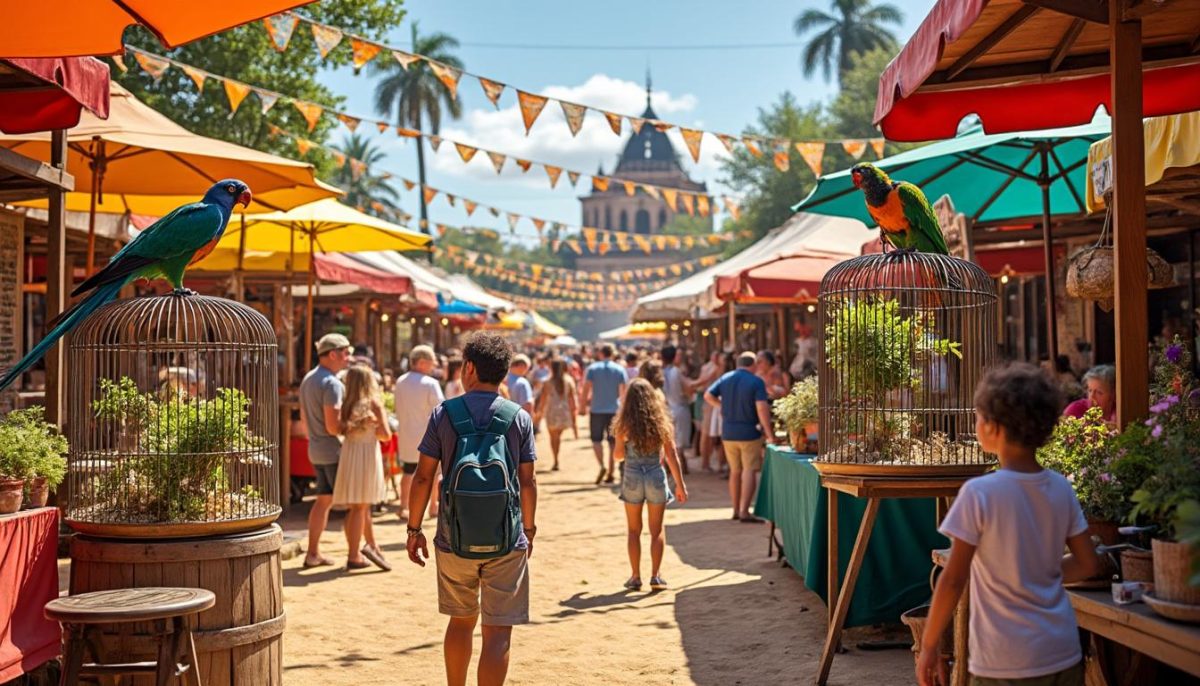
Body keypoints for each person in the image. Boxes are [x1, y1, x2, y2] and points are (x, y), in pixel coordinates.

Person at [917, 364, 1102, 686]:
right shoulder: (1060, 488)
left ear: (994, 427)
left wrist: (929, 646)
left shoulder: (979, 492)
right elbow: (1088, 563)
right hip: (1062, 651)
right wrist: (1039, 577)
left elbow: (952, 580)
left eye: (978, 416)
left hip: (1003, 661)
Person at [406, 332, 537, 686]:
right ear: (504, 374)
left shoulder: (444, 414)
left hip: (453, 535)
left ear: (468, 368)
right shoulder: (518, 417)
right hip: (507, 536)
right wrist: (529, 527)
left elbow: (422, 478)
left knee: (461, 622)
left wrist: (413, 529)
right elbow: (528, 481)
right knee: (498, 632)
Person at [613, 378, 688, 592]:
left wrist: (625, 449)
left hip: (632, 476)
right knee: (657, 530)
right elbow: (672, 454)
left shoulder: (623, 424)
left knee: (634, 530)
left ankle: (635, 576)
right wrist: (680, 485)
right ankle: (656, 576)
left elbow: (618, 455)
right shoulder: (661, 422)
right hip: (655, 475)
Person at [300, 333, 352, 568]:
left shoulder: (309, 379)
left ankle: (313, 553)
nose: (348, 358)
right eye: (345, 353)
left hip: (315, 448)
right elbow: (333, 426)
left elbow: (303, 421)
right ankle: (357, 555)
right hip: (332, 451)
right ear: (333, 354)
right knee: (355, 504)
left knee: (323, 501)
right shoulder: (330, 382)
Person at [332, 365, 392, 571]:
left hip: (350, 454)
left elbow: (340, 429)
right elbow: (386, 435)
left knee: (357, 507)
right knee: (360, 507)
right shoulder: (373, 404)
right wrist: (374, 426)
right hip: (366, 454)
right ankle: (353, 556)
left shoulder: (346, 404)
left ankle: (370, 547)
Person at [705, 351, 776, 522]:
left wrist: (721, 406)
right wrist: (769, 433)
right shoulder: (756, 381)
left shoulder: (726, 378)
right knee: (749, 470)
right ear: (753, 364)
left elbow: (708, 395)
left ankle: (736, 509)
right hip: (749, 432)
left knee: (735, 471)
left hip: (728, 432)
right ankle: (745, 511)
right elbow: (761, 408)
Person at [393, 346, 445, 520]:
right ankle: (433, 506)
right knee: (431, 473)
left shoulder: (400, 381)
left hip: (406, 434)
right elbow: (440, 409)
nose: (433, 366)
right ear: (422, 362)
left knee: (408, 472)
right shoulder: (430, 383)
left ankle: (403, 506)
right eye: (431, 362)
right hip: (427, 435)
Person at [581, 343, 627, 485]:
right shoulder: (619, 369)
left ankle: (602, 466)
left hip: (596, 409)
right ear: (613, 354)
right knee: (613, 442)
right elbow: (623, 392)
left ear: (600, 354)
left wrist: (582, 406)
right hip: (615, 410)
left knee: (596, 440)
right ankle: (611, 471)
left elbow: (586, 389)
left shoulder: (593, 369)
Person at [535, 358, 577, 470]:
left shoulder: (547, 382)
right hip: (564, 411)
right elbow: (572, 400)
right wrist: (574, 415)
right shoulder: (569, 380)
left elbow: (543, 400)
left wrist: (539, 413)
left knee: (553, 437)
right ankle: (556, 458)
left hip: (552, 412)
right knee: (558, 436)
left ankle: (555, 459)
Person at [661, 346, 697, 474]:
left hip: (666, 409)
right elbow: (690, 387)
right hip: (680, 408)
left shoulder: (661, 371)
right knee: (680, 441)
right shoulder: (676, 371)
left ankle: (670, 465)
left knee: (669, 438)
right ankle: (679, 466)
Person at [696, 351, 724, 473]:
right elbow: (702, 385)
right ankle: (706, 463)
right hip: (710, 404)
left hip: (718, 403)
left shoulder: (721, 367)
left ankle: (720, 463)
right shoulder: (708, 368)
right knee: (707, 434)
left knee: (720, 434)